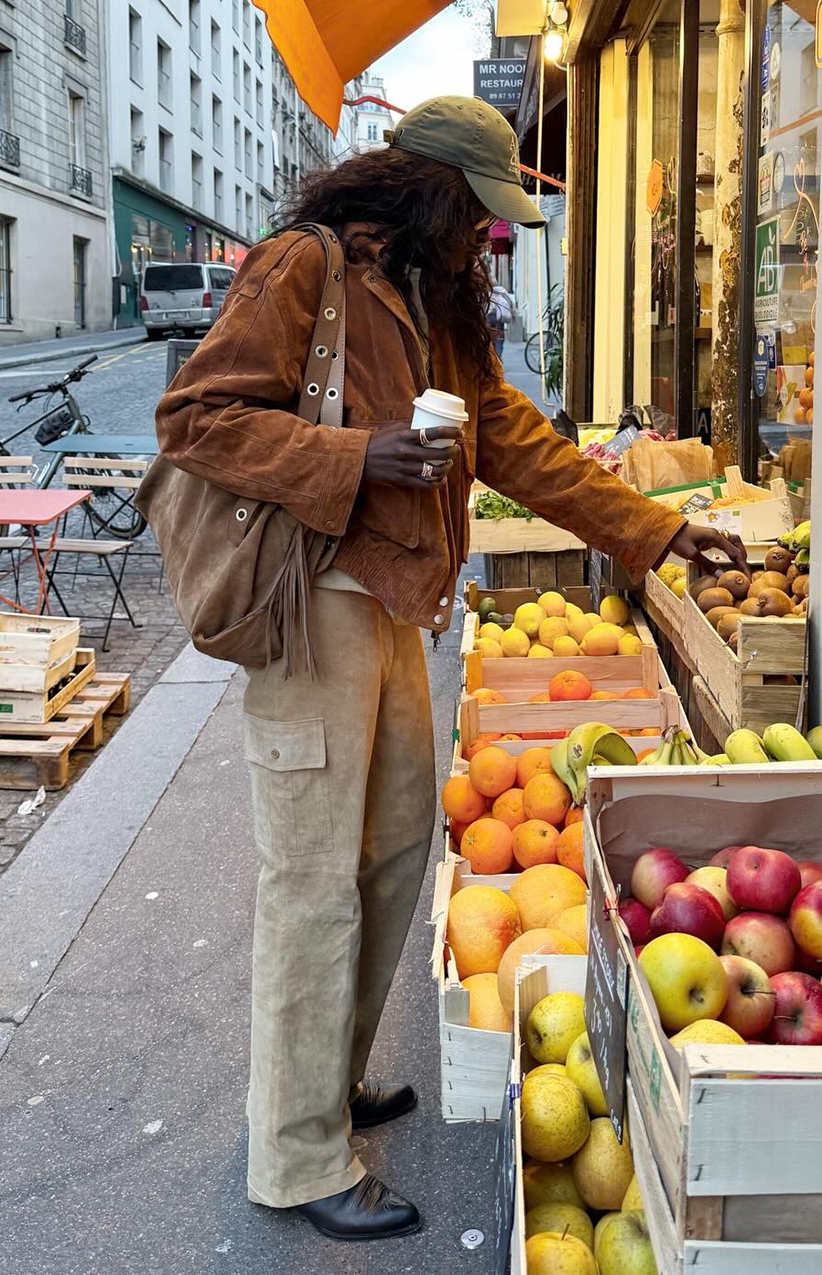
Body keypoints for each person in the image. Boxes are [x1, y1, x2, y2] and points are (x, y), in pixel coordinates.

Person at [154, 96, 748, 1243]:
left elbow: (515, 443)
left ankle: (328, 1085)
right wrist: (356, 453)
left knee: (386, 862)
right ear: (424, 189)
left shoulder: (438, 301)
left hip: (391, 607)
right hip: (309, 607)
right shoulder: (305, 267)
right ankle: (295, 1157)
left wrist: (657, 529)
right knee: (312, 881)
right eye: (476, 210)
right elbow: (198, 419)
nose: (488, 232)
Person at [487, 280, 515, 358]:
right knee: (499, 338)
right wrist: (513, 314)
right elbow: (510, 302)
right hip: (499, 317)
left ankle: (491, 357)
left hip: (489, 316)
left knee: (489, 338)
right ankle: (498, 357)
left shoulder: (486, 291)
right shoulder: (502, 291)